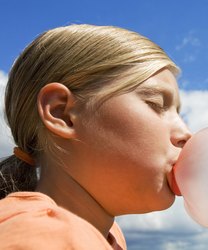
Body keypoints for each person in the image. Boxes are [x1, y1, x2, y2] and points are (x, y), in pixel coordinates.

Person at [0, 24, 192, 249]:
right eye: (156, 104)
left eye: (178, 113)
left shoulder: (105, 235)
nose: (186, 134)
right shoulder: (43, 236)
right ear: (61, 113)